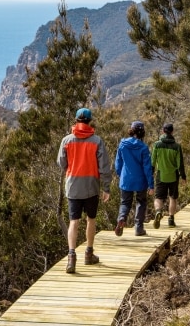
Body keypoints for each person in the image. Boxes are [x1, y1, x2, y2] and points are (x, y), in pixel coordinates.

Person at [57, 107, 112, 274]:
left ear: (76, 120)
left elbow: (61, 163)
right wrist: (106, 187)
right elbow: (104, 167)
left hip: (73, 186)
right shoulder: (97, 141)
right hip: (91, 187)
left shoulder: (66, 140)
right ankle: (89, 253)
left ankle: (71, 257)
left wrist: (72, 167)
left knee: (74, 221)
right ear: (90, 121)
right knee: (91, 219)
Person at [114, 120, 154, 237]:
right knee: (141, 202)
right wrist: (151, 185)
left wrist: (120, 174)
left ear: (131, 130)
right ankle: (138, 228)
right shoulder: (143, 148)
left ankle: (122, 218)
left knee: (125, 202)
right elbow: (147, 168)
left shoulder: (122, 144)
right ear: (142, 132)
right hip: (140, 180)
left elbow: (118, 163)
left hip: (126, 179)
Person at [151, 123, 186, 228]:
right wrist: (183, 176)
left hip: (161, 175)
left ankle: (158, 211)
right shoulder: (177, 146)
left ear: (163, 131)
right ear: (172, 131)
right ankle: (171, 220)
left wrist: (150, 174)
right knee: (172, 198)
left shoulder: (157, 145)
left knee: (158, 198)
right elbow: (180, 163)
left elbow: (153, 161)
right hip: (173, 176)